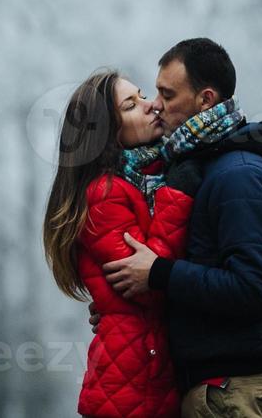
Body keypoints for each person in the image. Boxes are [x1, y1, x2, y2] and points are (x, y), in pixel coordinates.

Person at [102, 38, 262, 418]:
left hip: (232, 391)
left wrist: (159, 274)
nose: (156, 104)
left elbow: (252, 288)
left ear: (205, 100)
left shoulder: (239, 175)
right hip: (215, 390)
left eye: (166, 93)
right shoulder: (201, 167)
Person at [42, 68, 198, 418]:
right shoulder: (104, 194)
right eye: (131, 105)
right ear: (109, 134)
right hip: (130, 387)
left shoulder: (140, 180)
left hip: (144, 376)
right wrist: (179, 194)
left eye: (143, 95)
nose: (151, 106)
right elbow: (148, 282)